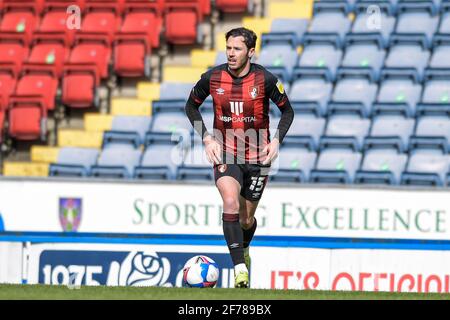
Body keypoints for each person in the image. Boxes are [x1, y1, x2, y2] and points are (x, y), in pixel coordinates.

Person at [185, 27, 294, 288]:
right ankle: (239, 269)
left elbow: (287, 112)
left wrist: (276, 140)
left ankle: (243, 250)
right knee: (230, 203)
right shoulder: (212, 78)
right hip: (225, 152)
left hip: (258, 158)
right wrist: (206, 137)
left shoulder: (266, 80)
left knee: (246, 219)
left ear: (251, 52)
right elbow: (191, 105)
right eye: (228, 48)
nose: (231, 54)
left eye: (237, 49)